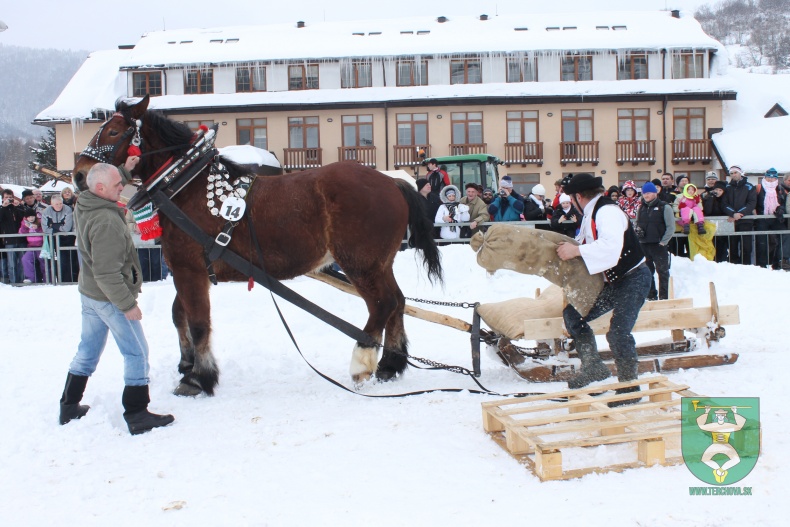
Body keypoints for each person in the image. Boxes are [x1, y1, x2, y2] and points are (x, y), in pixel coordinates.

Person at [58, 161, 174, 435]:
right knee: (137, 353)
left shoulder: (86, 202)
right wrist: (127, 305)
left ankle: (69, 405)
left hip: (90, 295)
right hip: (110, 298)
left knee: (87, 351)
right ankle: (137, 413)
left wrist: (122, 170)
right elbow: (107, 273)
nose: (123, 188)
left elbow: (102, 181)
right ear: (100, 188)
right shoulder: (107, 221)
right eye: (118, 185)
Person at [556, 173, 650, 406]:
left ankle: (630, 389)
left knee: (618, 332)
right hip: (615, 281)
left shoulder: (607, 212)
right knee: (573, 314)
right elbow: (585, 242)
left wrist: (576, 252)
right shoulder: (592, 212)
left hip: (634, 279)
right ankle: (593, 367)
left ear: (578, 196)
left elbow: (610, 249)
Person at [635, 182, 675, 301]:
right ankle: (651, 295)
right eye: (644, 193)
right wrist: (638, 231)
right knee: (647, 273)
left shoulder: (664, 207)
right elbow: (637, 223)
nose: (646, 196)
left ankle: (664, 298)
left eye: (648, 193)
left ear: (655, 193)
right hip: (644, 245)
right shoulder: (641, 207)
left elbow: (671, 227)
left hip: (658, 245)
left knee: (662, 272)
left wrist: (664, 241)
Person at [722, 165, 757, 265]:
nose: (733, 175)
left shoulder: (749, 186)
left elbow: (751, 203)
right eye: (731, 173)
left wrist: (739, 214)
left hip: (746, 220)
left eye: (735, 172)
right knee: (732, 246)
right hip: (732, 220)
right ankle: (734, 267)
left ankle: (746, 267)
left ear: (740, 173)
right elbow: (724, 204)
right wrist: (733, 214)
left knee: (746, 246)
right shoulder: (728, 187)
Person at [41, 194, 78, 282]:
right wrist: (59, 227)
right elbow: (45, 229)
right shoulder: (46, 211)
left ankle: (69, 280)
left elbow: (67, 228)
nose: (59, 206)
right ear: (52, 204)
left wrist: (52, 226)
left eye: (61, 203)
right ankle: (56, 280)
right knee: (55, 261)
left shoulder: (67, 209)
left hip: (67, 238)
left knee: (68, 260)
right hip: (52, 239)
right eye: (57, 204)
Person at [754, 168, 785, 269]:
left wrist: (780, 209)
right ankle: (761, 265)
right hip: (762, 217)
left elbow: (783, 203)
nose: (770, 180)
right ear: (765, 177)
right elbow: (753, 201)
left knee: (783, 237)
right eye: (768, 177)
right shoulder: (759, 188)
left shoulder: (779, 188)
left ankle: (777, 261)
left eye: (773, 178)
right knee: (761, 242)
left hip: (775, 218)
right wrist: (754, 210)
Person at [1, 188, 25, 284]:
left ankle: (22, 281)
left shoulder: (17, 207)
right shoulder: (1, 209)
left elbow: (26, 217)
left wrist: (18, 205)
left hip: (21, 239)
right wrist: (3, 207)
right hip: (9, 240)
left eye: (10, 197)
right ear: (2, 199)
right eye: (6, 197)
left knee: (22, 263)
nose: (9, 199)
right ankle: (14, 282)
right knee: (12, 264)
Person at [702, 180, 730, 263]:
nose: (718, 192)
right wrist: (711, 198)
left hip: (724, 225)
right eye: (716, 190)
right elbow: (707, 211)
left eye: (720, 190)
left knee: (723, 245)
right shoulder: (709, 197)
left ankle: (723, 261)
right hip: (711, 225)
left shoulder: (725, 199)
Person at [19, 208, 45, 283]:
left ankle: (47, 279)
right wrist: (25, 227)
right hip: (31, 246)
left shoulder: (40, 221)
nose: (31, 218)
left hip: (41, 246)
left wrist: (37, 228)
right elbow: (21, 232)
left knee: (44, 263)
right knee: (25, 259)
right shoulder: (24, 222)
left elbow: (45, 230)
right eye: (29, 217)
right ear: (26, 217)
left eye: (32, 216)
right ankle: (31, 278)